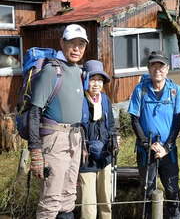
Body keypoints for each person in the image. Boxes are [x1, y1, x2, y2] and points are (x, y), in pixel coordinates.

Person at [28, 24, 88, 219]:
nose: (76, 48)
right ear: (62, 43)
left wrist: (83, 144)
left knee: (69, 196)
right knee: (51, 199)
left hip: (75, 138)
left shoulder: (78, 71)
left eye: (81, 44)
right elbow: (34, 113)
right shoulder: (52, 71)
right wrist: (35, 152)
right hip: (54, 139)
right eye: (72, 43)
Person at [128, 51, 180, 219]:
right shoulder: (140, 90)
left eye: (161, 66)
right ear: (148, 68)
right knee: (147, 192)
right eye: (154, 65)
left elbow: (177, 121)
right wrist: (146, 143)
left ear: (167, 69)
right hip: (146, 149)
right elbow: (135, 119)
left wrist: (167, 147)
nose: (157, 69)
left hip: (169, 149)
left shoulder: (175, 91)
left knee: (172, 190)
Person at [79, 60, 118, 219]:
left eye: (100, 80)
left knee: (106, 201)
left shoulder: (105, 99)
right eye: (93, 79)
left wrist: (114, 139)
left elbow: (111, 126)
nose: (96, 84)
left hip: (105, 156)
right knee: (88, 206)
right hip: (86, 158)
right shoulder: (79, 99)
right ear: (85, 79)